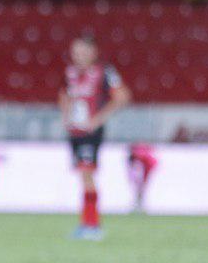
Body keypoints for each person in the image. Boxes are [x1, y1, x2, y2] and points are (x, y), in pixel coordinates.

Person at [59, 36, 130, 240]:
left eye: (82, 52)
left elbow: (123, 96)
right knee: (84, 175)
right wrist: (65, 115)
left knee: (87, 173)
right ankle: (87, 223)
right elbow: (64, 94)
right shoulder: (70, 73)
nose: (78, 56)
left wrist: (98, 119)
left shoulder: (105, 72)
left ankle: (92, 225)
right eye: (75, 52)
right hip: (75, 132)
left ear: (93, 53)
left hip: (90, 132)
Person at [127, 142, 158, 214]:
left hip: (147, 168)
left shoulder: (141, 157)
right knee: (140, 188)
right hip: (144, 168)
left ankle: (139, 204)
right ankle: (138, 204)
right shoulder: (139, 155)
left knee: (141, 188)